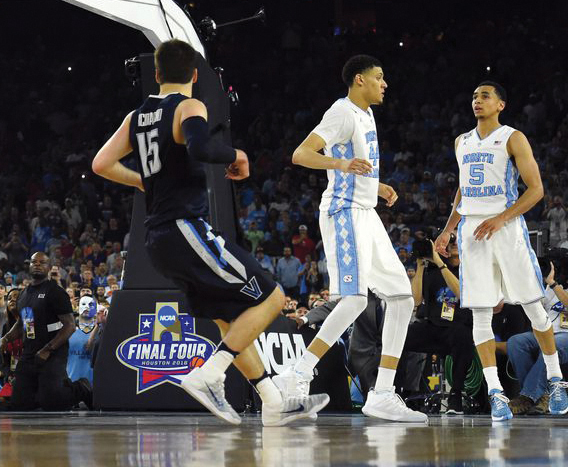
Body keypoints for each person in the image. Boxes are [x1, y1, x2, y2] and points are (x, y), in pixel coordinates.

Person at [92, 40, 327, 426]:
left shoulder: (137, 116)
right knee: (272, 298)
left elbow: (101, 163)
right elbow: (201, 146)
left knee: (228, 320)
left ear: (156, 74)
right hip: (186, 228)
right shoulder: (189, 105)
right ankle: (210, 372)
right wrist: (237, 155)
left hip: (158, 240)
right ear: (195, 76)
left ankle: (272, 402)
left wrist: (144, 183)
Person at [275, 54, 427, 423]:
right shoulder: (341, 112)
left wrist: (376, 187)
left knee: (402, 299)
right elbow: (301, 154)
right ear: (360, 80)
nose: (384, 83)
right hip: (343, 213)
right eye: (379, 77)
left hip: (365, 212)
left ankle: (383, 393)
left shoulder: (366, 114)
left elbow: (357, 167)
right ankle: (297, 374)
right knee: (356, 300)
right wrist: (340, 164)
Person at [433, 81, 567, 421]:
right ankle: (495, 392)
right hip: (471, 233)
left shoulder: (512, 137)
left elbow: (536, 190)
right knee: (480, 313)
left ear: (501, 104)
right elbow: (462, 191)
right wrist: (448, 229)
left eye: (485, 96)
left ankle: (555, 380)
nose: (477, 100)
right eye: (474, 96)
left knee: (534, 306)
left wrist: (500, 218)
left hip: (506, 229)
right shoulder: (461, 142)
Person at [0, 252, 87, 411]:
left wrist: (48, 349)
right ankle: (43, 392)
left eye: (42, 262)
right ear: (29, 266)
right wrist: (6, 338)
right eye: (34, 262)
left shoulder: (56, 292)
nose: (37, 265)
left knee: (52, 403)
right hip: (29, 352)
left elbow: (70, 325)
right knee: (20, 404)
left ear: (49, 267)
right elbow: (21, 323)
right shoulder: (23, 294)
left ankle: (81, 387)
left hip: (52, 352)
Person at [405, 239, 473, 413]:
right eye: (450, 241)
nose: (454, 243)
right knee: (399, 338)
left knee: (462, 337)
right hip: (433, 326)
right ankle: (399, 391)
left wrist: (440, 263)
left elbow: (462, 293)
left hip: (459, 326)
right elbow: (416, 300)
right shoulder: (431, 271)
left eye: (458, 240)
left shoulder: (469, 269)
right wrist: (420, 266)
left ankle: (455, 395)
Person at [505, 259, 568, 415]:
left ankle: (527, 396)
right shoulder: (549, 289)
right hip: (546, 332)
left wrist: (553, 283)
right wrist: (533, 284)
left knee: (552, 344)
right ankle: (542, 396)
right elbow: (537, 311)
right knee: (516, 342)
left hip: (565, 336)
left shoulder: (554, 286)